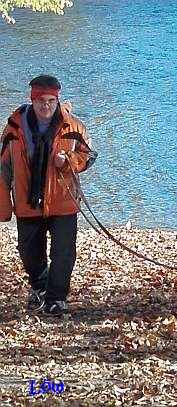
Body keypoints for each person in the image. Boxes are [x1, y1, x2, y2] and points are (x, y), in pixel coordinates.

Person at [0, 75, 97, 316]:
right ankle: (41, 287)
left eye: (51, 100)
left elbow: (89, 156)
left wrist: (69, 162)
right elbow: (3, 168)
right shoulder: (14, 129)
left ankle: (56, 298)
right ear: (32, 100)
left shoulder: (73, 127)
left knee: (64, 253)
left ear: (58, 100)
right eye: (41, 100)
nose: (46, 106)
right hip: (27, 202)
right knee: (28, 252)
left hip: (63, 201)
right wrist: (4, 207)